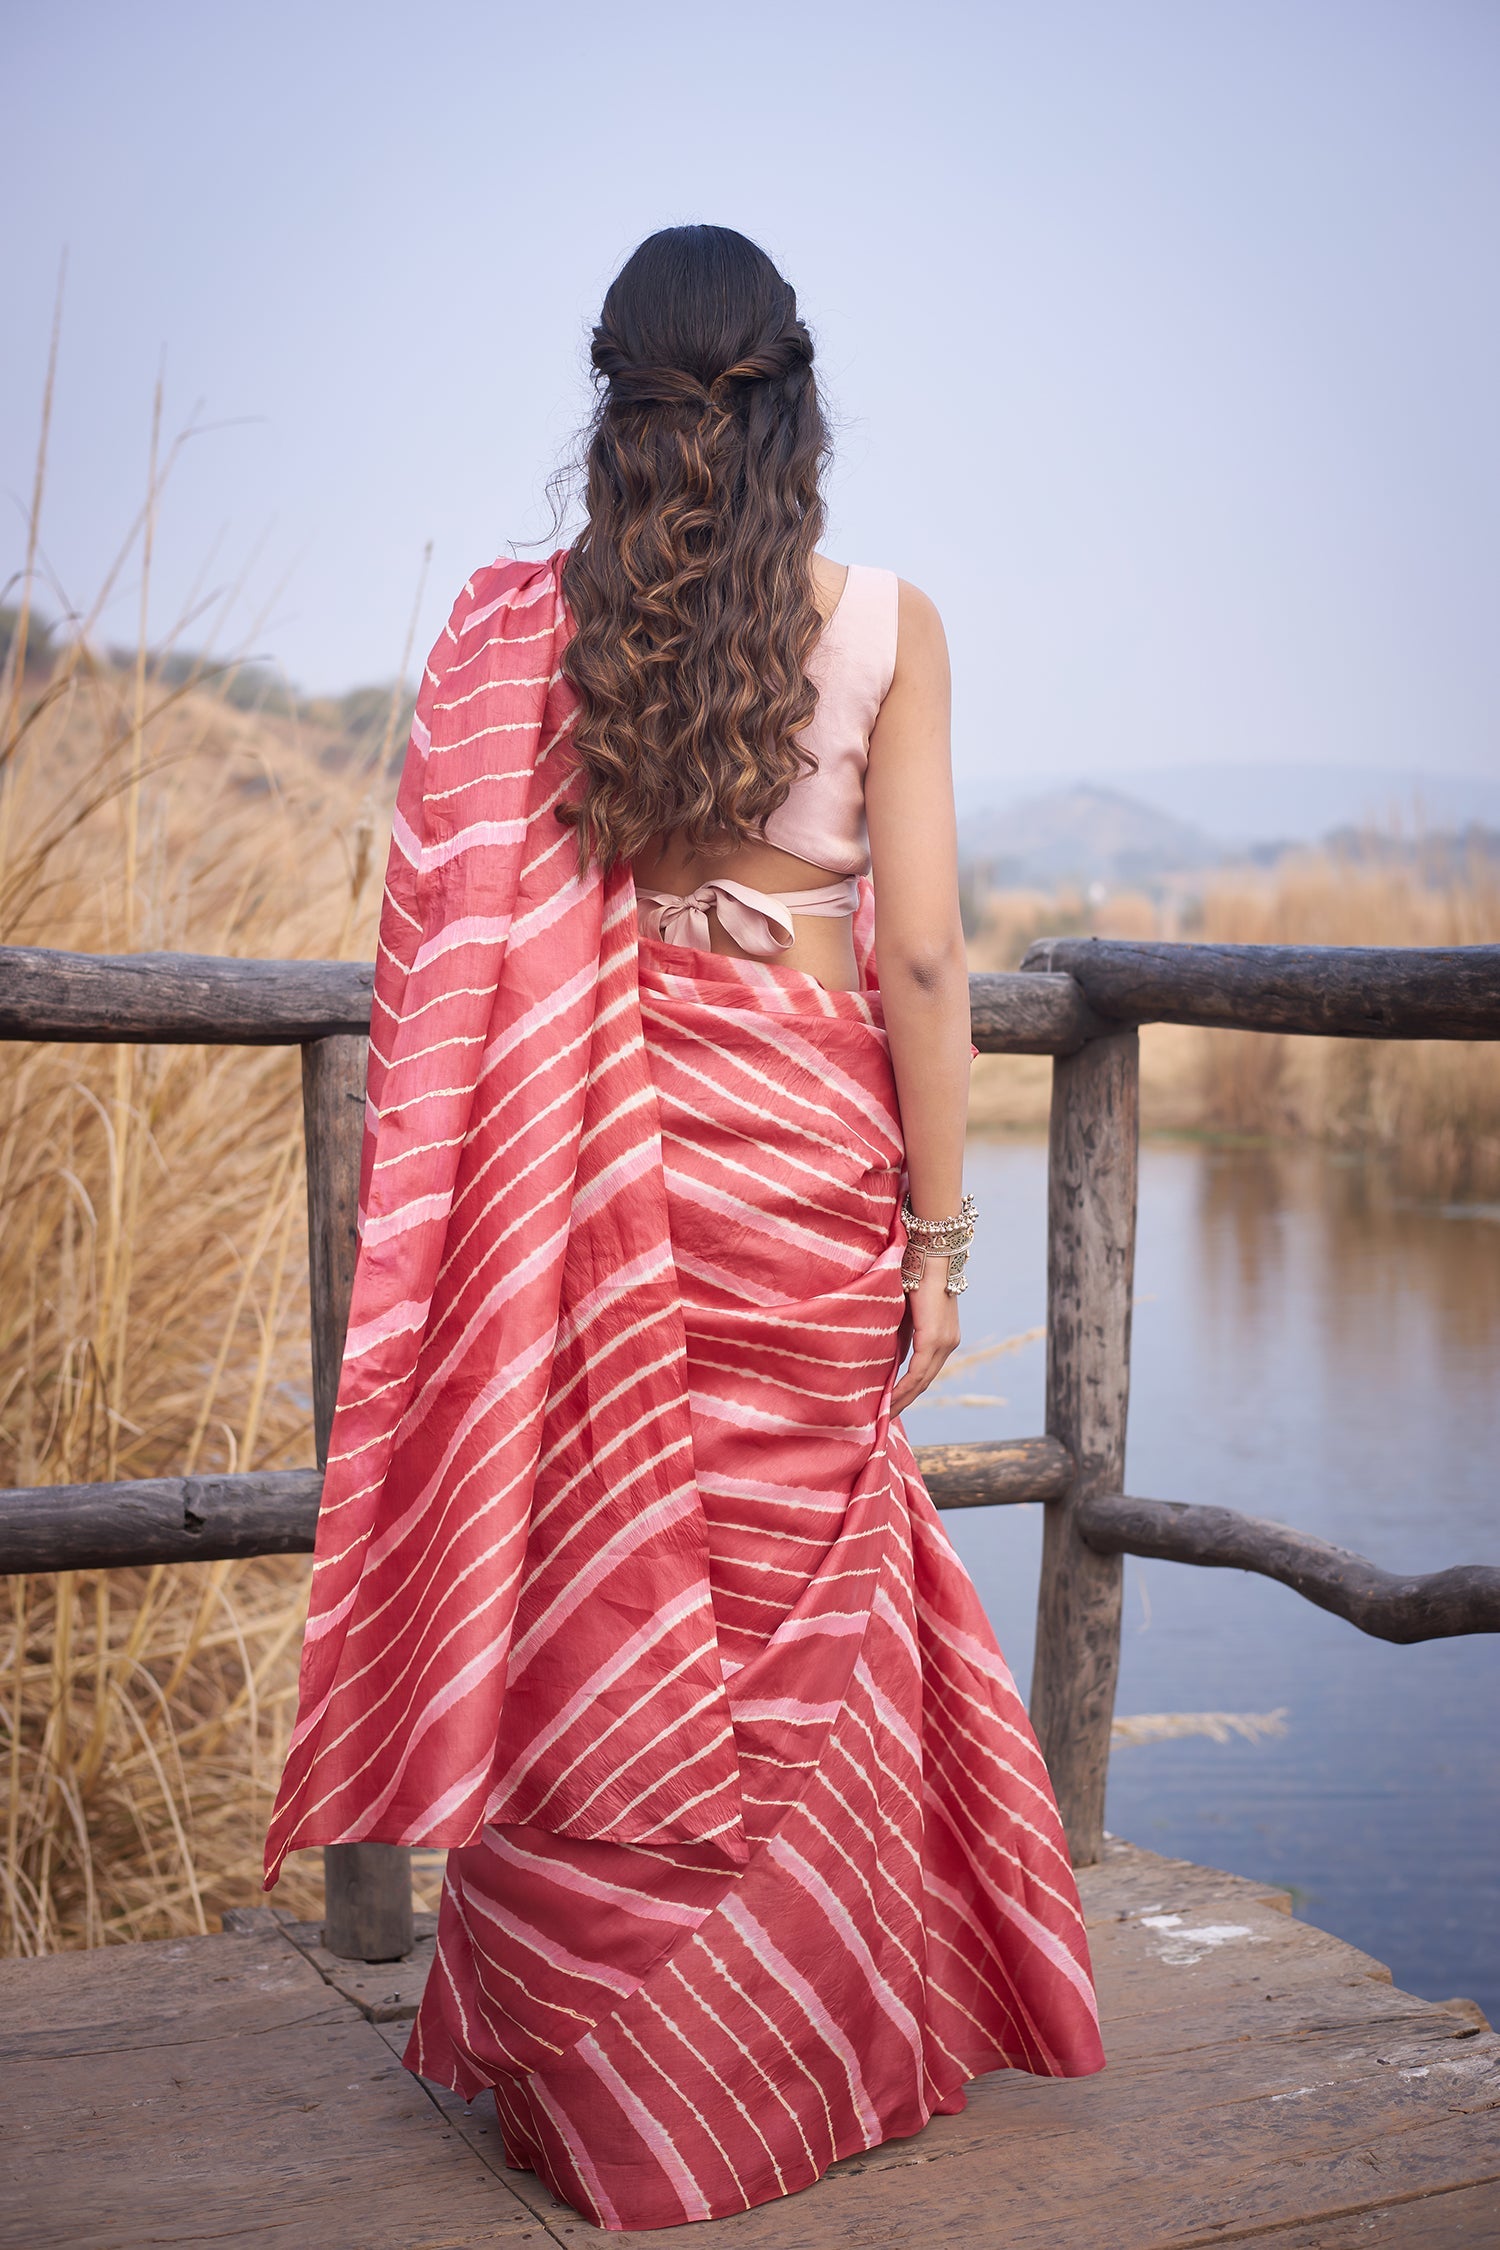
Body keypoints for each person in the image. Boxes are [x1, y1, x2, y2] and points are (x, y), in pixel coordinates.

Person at [265, 224, 1104, 2231]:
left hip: (597, 1145)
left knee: (606, 1579)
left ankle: (606, 2100)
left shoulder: (531, 630)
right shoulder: (885, 622)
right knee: (801, 1590)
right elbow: (920, 957)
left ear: (615, 402)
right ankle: (776, 2075)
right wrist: (938, 1244)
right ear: (796, 400)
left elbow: (463, 925)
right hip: (801, 1153)